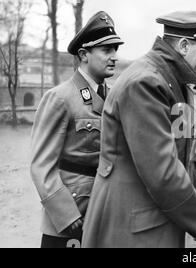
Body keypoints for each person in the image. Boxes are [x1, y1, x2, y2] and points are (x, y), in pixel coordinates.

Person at [81, 11, 196, 248]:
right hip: (133, 223)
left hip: (147, 216)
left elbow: (180, 152)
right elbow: (161, 170)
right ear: (184, 46)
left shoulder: (168, 79)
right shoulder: (146, 82)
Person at [30, 11, 124, 248]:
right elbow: (41, 165)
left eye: (115, 49)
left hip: (104, 209)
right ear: (83, 54)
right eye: (106, 50)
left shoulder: (114, 97)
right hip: (71, 217)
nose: (114, 57)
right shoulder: (60, 98)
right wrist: (67, 214)